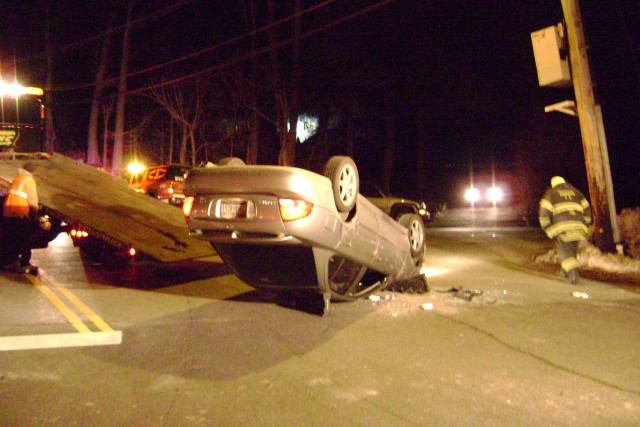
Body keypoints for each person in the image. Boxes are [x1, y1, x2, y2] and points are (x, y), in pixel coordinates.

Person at [539, 176, 592, 284]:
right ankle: (564, 272)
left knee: (565, 253)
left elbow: (544, 214)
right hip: (579, 227)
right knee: (571, 251)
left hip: (562, 228)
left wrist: (548, 228)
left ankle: (573, 275)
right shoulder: (576, 192)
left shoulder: (551, 194)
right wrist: (585, 224)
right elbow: (587, 209)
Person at [2, 164, 39, 273]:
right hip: (20, 213)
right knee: (25, 239)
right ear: (33, 173)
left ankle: (9, 262)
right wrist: (34, 217)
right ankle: (24, 263)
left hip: (8, 213)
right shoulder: (29, 181)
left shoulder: (17, 179)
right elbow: (32, 202)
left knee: (11, 239)